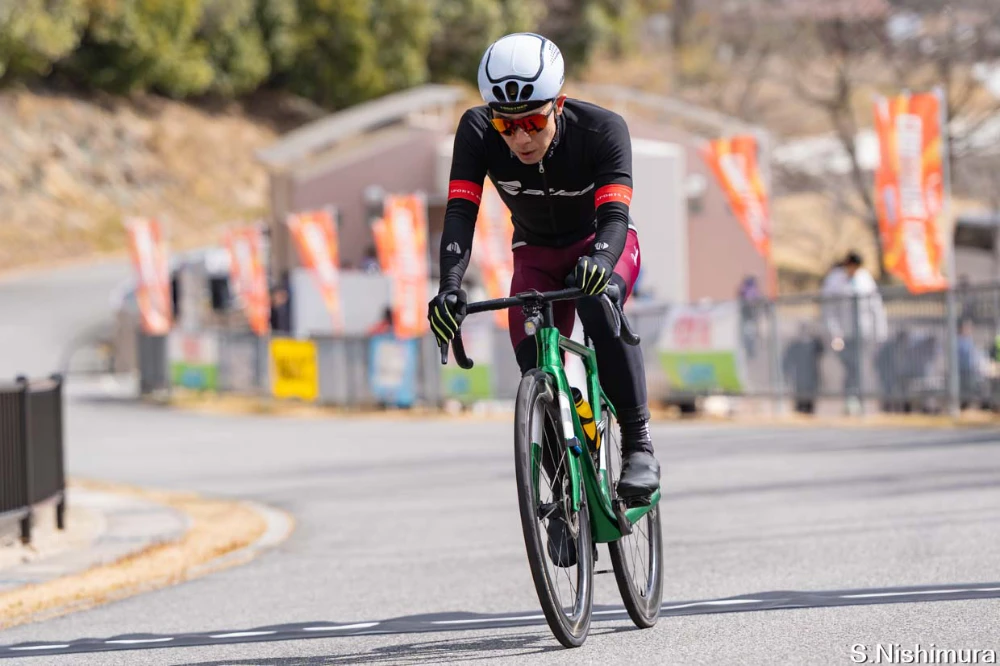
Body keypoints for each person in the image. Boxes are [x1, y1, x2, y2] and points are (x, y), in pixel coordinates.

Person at [426, 33, 659, 506]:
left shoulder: (602, 129)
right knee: (533, 359)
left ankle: (638, 443)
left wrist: (601, 262)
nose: (521, 138)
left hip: (600, 243)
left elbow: (615, 218)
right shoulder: (476, 130)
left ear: (559, 103)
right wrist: (449, 285)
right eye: (506, 125)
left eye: (532, 121)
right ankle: (561, 496)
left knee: (597, 301)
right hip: (534, 252)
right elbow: (460, 213)